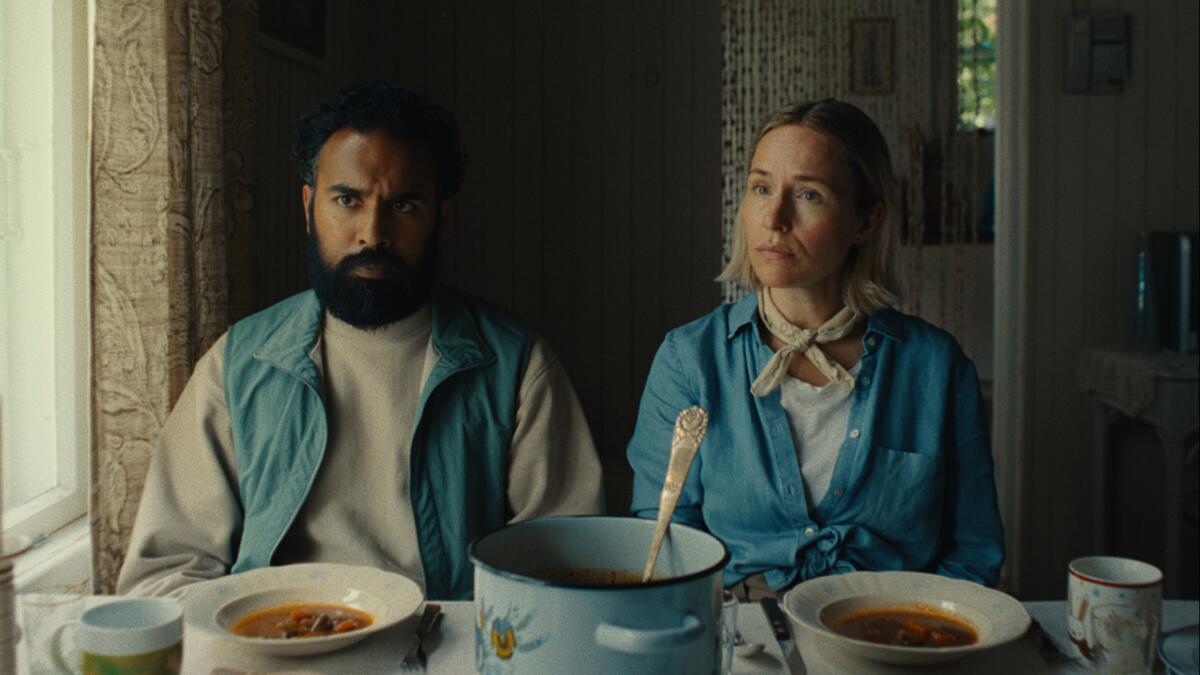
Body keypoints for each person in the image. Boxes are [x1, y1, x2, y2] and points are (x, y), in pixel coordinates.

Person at [118, 82, 604, 601]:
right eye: (347, 200)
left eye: (403, 205)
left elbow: (566, 571)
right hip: (276, 645)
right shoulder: (239, 362)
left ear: (440, 215)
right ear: (309, 205)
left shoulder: (516, 364)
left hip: (442, 648)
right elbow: (164, 575)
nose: (372, 233)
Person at [626, 99, 1003, 600]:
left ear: (865, 223)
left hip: (894, 640)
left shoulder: (937, 367)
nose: (775, 217)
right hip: (741, 638)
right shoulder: (688, 360)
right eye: (762, 188)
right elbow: (664, 538)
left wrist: (915, 637)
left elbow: (973, 553)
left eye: (808, 194)